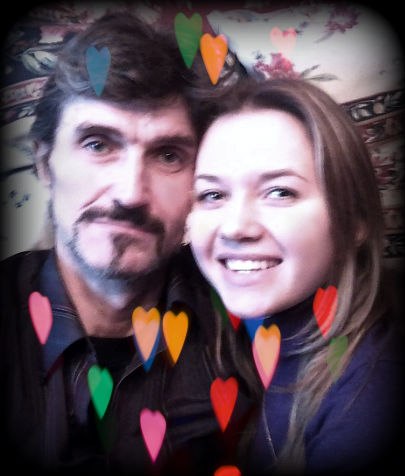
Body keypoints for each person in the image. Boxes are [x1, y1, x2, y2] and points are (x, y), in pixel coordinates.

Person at [0, 11, 252, 475]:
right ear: (45, 163)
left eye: (169, 155)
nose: (131, 194)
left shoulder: (247, 322)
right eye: (98, 144)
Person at [188, 77, 405, 475]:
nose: (235, 227)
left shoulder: (370, 402)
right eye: (212, 195)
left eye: (280, 192)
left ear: (354, 219)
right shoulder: (252, 334)